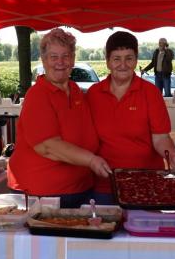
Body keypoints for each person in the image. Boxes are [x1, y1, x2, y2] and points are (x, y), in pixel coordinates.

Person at [7, 28, 111, 207]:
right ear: (44, 60)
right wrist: (91, 160)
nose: (60, 62)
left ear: (73, 59)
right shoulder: (37, 95)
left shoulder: (75, 90)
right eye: (53, 57)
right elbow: (49, 147)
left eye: (66, 56)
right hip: (41, 193)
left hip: (81, 188)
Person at [87, 31, 175, 204]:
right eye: (116, 59)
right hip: (105, 185)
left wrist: (172, 157)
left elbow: (161, 138)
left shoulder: (150, 93)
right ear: (108, 62)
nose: (123, 64)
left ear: (136, 60)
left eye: (129, 58)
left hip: (146, 182)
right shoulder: (93, 94)